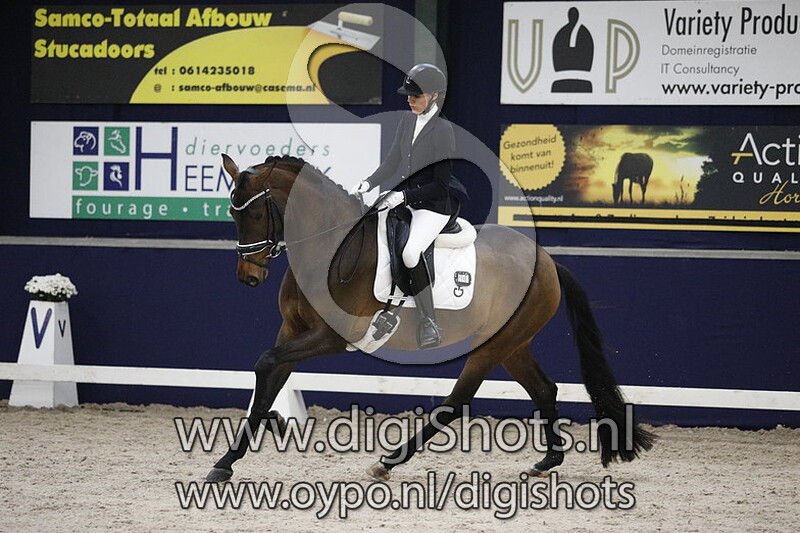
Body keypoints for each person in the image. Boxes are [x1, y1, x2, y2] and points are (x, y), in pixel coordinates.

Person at [350, 63, 466, 349]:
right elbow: (392, 162)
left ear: (434, 95)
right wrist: (368, 182)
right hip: (406, 199)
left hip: (433, 206)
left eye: (416, 96)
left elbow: (440, 184)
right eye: (408, 96)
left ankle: (429, 322)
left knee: (411, 252)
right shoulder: (407, 120)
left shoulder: (443, 130)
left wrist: (402, 197)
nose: (410, 100)